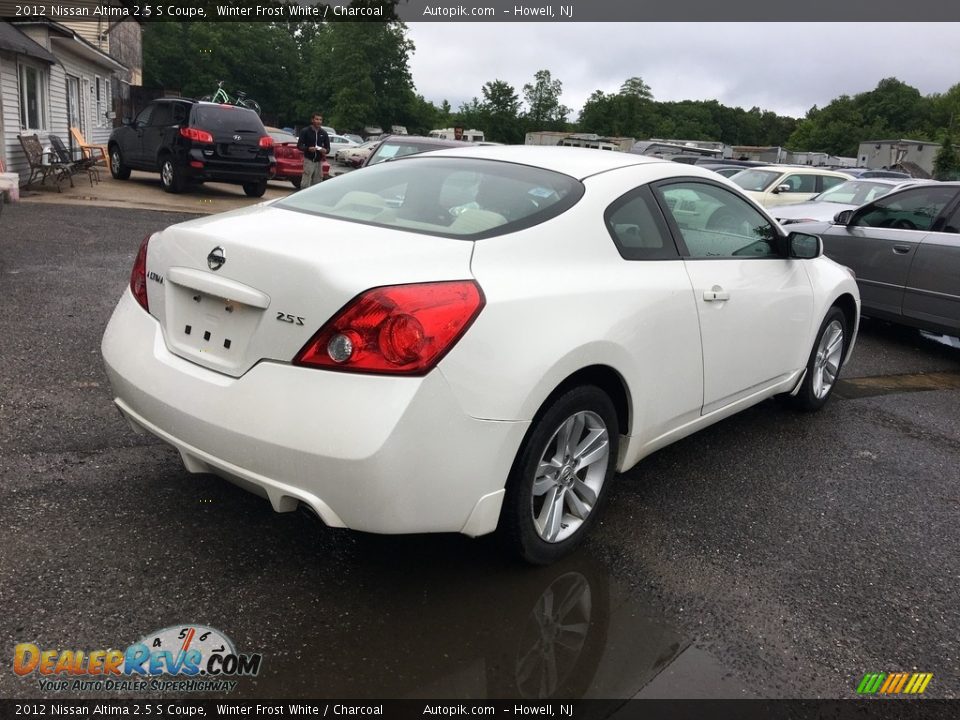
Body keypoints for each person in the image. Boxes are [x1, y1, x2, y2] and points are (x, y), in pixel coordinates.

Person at [297, 113, 331, 189]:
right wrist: (308, 148)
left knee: (317, 183)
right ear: (312, 120)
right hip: (308, 160)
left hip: (319, 161)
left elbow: (328, 149)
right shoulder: (305, 131)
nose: (319, 121)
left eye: (320, 120)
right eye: (317, 119)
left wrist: (325, 150)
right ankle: (304, 194)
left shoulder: (324, 133)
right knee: (305, 182)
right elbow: (299, 146)